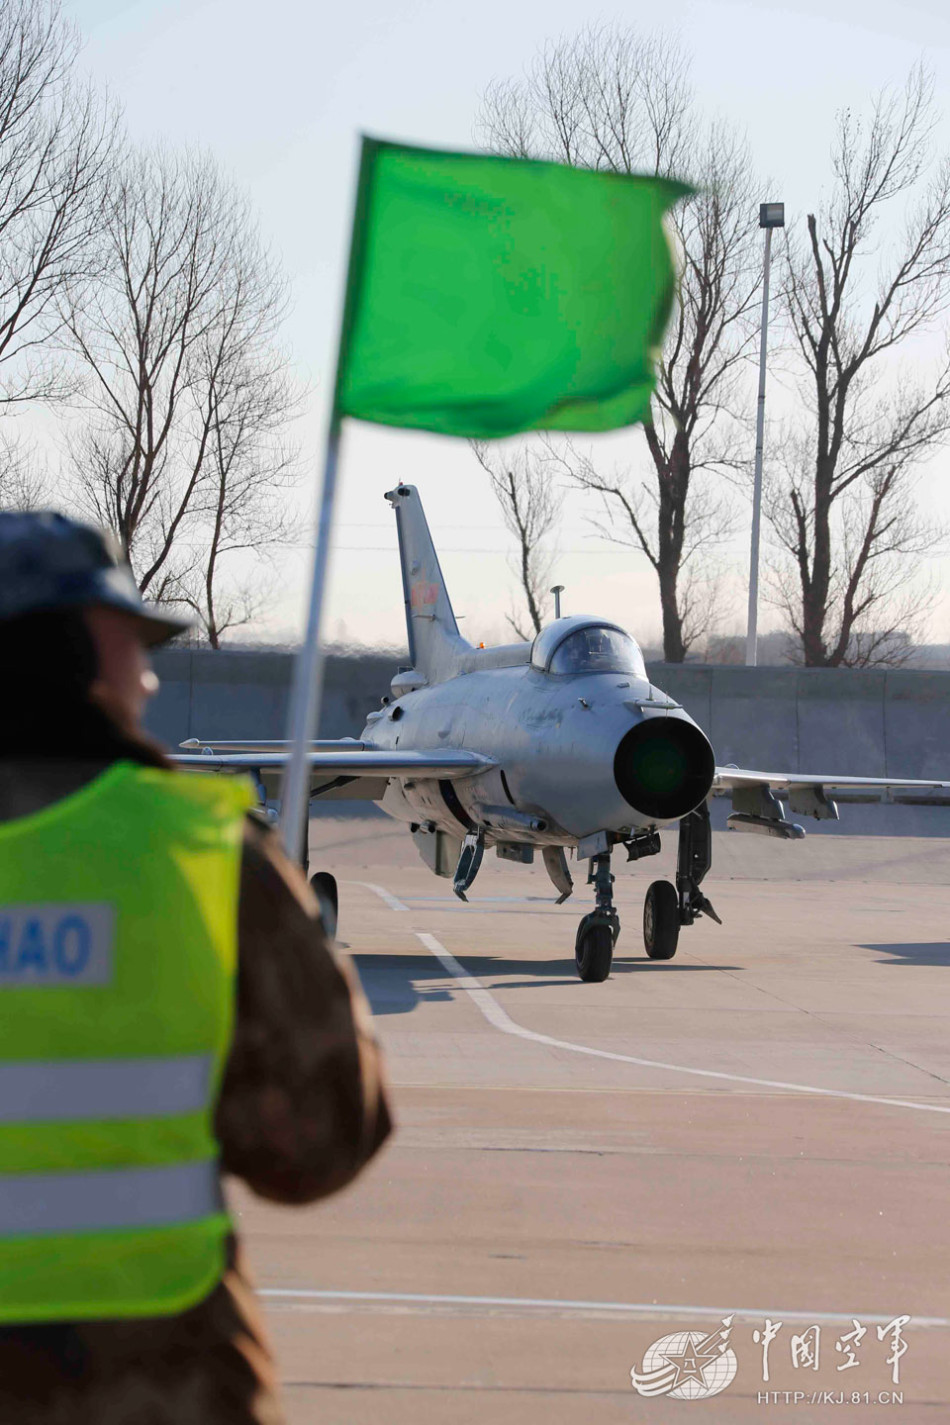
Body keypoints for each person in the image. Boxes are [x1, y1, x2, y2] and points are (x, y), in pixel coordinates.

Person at [0, 512, 392, 1425]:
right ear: (82, 655)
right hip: (151, 1383)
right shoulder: (201, 854)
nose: (146, 678)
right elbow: (324, 1141)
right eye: (133, 647)